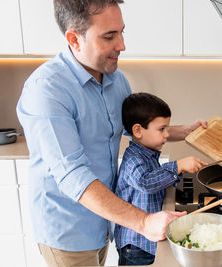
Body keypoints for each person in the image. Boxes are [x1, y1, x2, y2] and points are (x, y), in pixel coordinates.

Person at [16, 0, 206, 266]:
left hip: (107, 221)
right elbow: (74, 176)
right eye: (109, 36)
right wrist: (143, 222)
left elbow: (138, 131)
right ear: (74, 39)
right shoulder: (46, 90)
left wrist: (185, 132)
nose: (122, 45)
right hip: (68, 231)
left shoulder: (117, 80)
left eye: (121, 32)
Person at [114, 92, 207, 265]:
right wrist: (178, 166)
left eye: (167, 128)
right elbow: (146, 182)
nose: (166, 135)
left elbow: (156, 180)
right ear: (138, 130)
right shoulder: (133, 159)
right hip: (135, 246)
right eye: (161, 129)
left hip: (145, 243)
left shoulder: (148, 154)